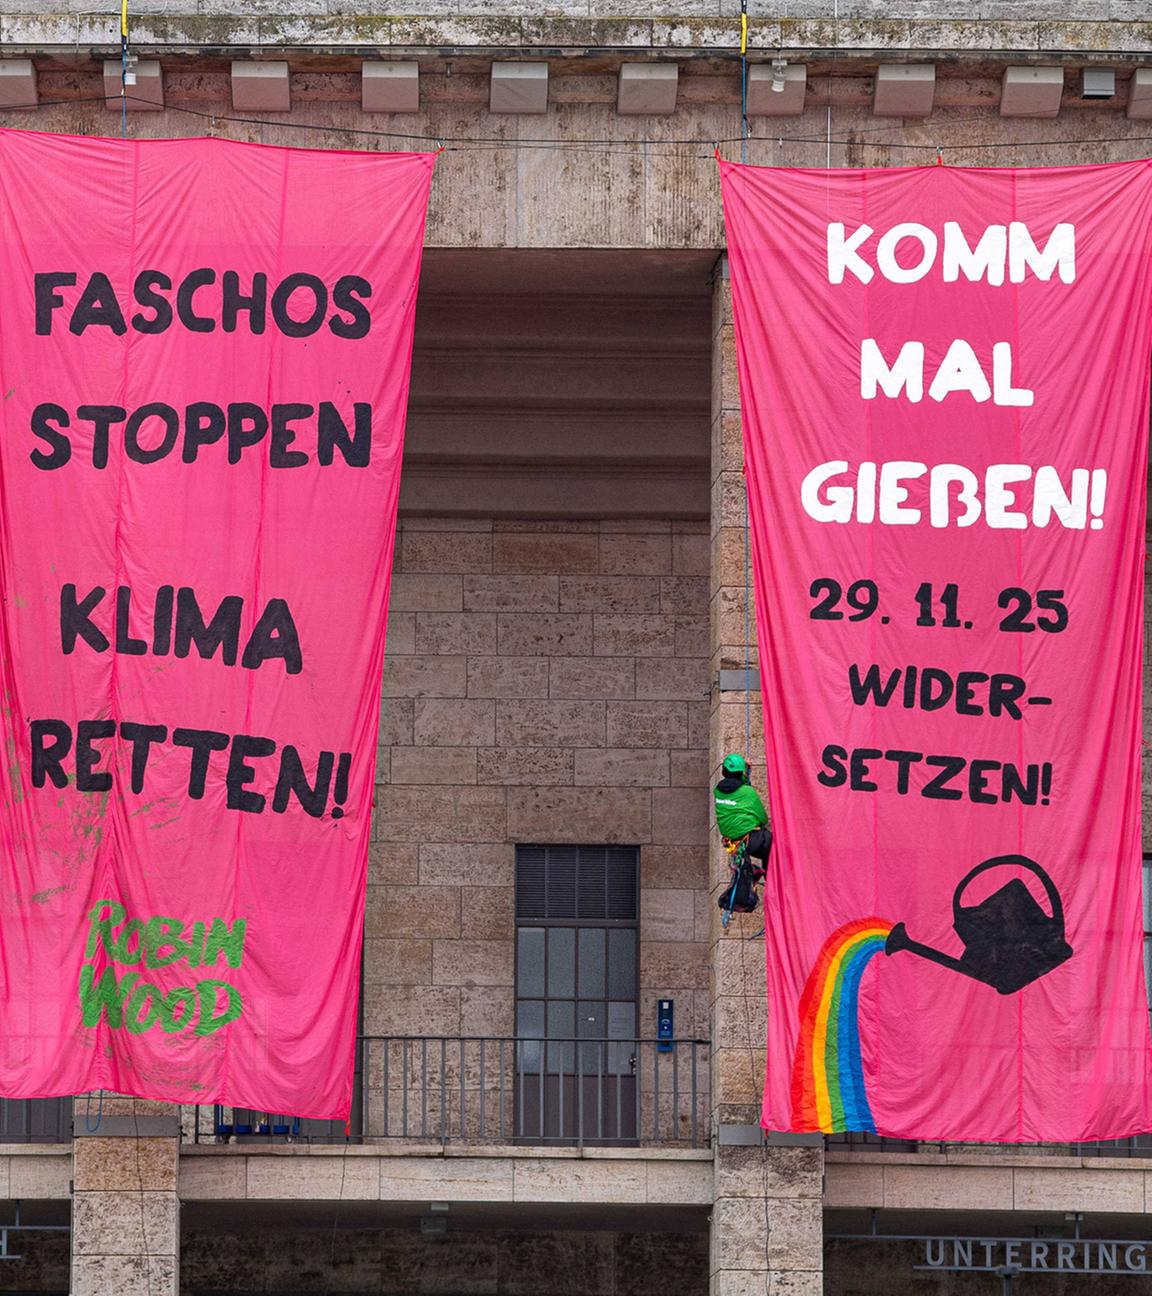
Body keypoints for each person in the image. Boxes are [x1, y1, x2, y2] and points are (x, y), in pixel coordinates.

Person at [713, 752, 773, 914]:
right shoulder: (748, 793)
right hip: (752, 840)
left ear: (724, 772)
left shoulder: (717, 792)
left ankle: (757, 873)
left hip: (734, 844)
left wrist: (745, 772)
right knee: (771, 844)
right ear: (740, 774)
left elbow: (736, 786)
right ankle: (772, 880)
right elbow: (762, 818)